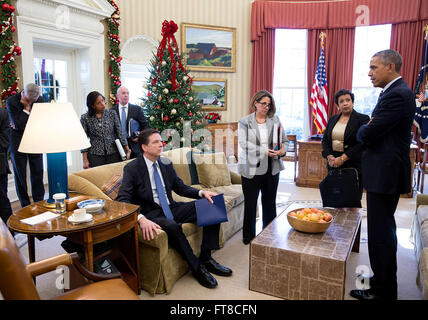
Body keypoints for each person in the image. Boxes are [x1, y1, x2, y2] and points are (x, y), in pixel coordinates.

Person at [116, 128, 233, 289]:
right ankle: (197, 268)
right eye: (156, 142)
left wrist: (201, 192)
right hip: (152, 213)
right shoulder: (132, 168)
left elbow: (180, 187)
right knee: (171, 226)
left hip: (172, 207)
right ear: (144, 147)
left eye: (161, 141)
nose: (161, 144)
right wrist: (141, 219)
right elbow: (123, 200)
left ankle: (206, 258)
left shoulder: (165, 163)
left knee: (213, 204)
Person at [350, 49, 416, 300]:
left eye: (374, 67)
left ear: (391, 67)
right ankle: (381, 282)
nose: (369, 73)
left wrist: (365, 128)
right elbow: (373, 127)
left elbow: (368, 133)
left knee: (381, 234)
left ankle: (383, 292)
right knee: (380, 231)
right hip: (385, 173)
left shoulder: (397, 94)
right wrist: (369, 126)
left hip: (385, 174)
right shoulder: (394, 92)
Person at [237, 90, 288, 245]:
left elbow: (285, 141)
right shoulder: (245, 121)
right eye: (263, 103)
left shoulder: (276, 120)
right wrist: (264, 151)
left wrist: (282, 151)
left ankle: (268, 235)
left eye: (269, 104)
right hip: (251, 169)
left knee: (269, 203)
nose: (266, 107)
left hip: (272, 168)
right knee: (251, 204)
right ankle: (248, 237)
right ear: (255, 103)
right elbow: (244, 143)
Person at [322, 89, 370, 198]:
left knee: (351, 201)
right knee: (334, 199)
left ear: (352, 102)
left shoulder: (362, 119)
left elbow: (362, 143)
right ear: (337, 105)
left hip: (352, 164)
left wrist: (343, 158)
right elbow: (325, 140)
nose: (345, 103)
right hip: (333, 164)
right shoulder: (333, 119)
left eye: (348, 100)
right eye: (341, 101)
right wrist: (330, 157)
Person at [6, 83, 45, 208]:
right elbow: (18, 124)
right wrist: (27, 108)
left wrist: (24, 119)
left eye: (34, 101)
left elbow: (40, 121)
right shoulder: (11, 101)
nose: (32, 102)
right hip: (17, 142)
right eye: (29, 100)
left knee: (38, 171)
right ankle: (25, 204)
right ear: (24, 94)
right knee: (20, 175)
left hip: (35, 140)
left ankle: (39, 201)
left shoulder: (40, 100)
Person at [80, 91, 131, 168]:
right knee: (99, 178)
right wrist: (85, 160)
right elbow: (83, 139)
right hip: (95, 155)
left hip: (113, 153)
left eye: (103, 100)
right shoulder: (85, 118)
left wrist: (127, 150)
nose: (102, 104)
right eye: (98, 103)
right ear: (92, 106)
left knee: (115, 177)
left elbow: (119, 133)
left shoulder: (112, 114)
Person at [112, 86, 149, 159]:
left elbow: (146, 126)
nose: (126, 95)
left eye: (127, 93)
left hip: (134, 147)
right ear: (117, 96)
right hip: (117, 148)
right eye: (123, 93)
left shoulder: (136, 109)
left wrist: (140, 135)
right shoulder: (111, 111)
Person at [0, 106, 13, 235]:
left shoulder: (2, 113)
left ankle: (10, 234)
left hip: (0, 167)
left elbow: (5, 142)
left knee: (2, 200)